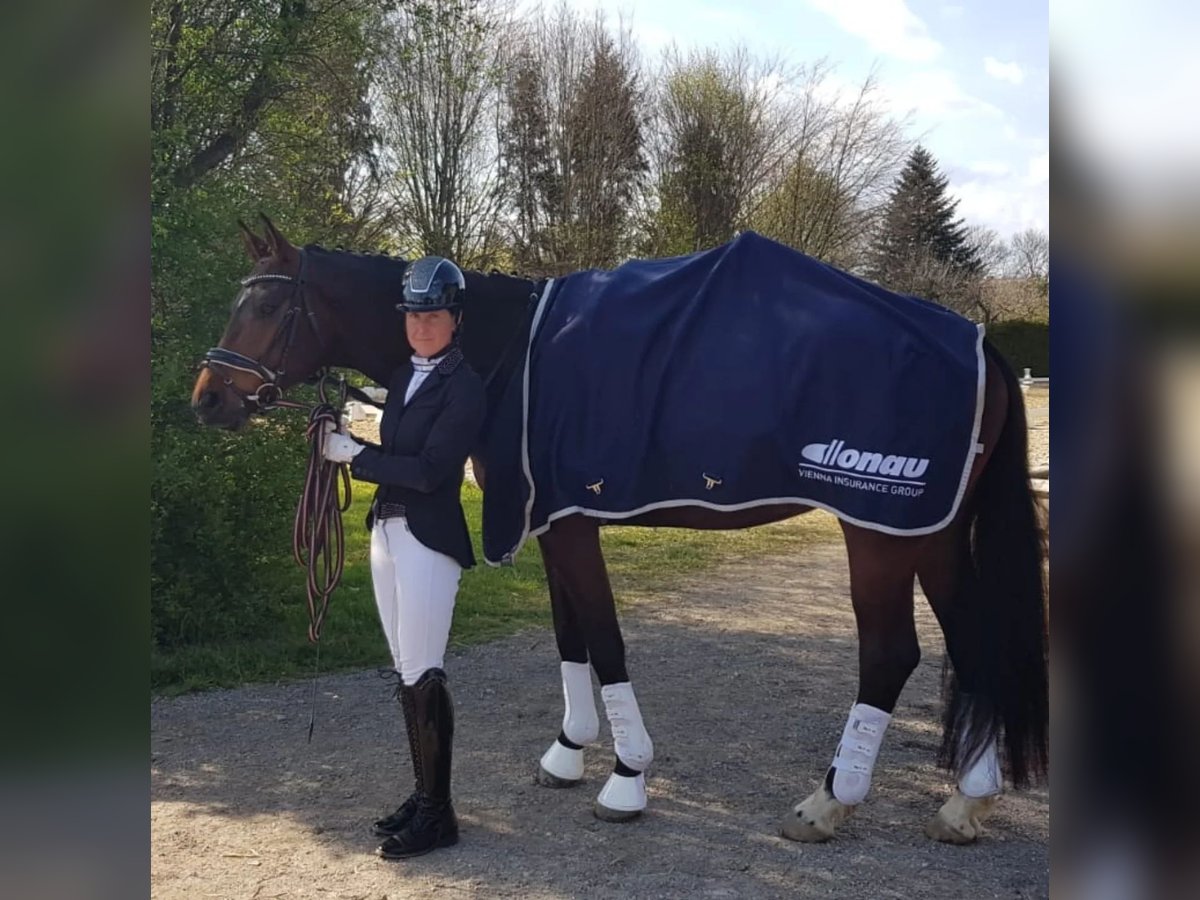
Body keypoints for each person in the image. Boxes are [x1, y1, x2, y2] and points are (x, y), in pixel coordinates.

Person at [322, 255, 485, 859]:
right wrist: (343, 429)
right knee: (403, 670)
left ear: (454, 319)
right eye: (415, 315)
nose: (422, 325)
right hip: (385, 532)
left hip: (428, 537)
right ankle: (424, 795)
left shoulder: (464, 388)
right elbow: (397, 447)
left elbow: (428, 471)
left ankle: (439, 815)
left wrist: (353, 456)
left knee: (423, 669)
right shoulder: (403, 373)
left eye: (433, 314)